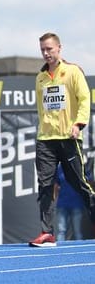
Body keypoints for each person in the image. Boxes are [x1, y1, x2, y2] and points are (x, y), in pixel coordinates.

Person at [29, 32, 95, 247]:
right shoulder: (40, 77)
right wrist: (43, 131)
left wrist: (78, 124)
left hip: (69, 137)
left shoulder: (73, 71)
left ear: (59, 48)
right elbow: (42, 108)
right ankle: (47, 233)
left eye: (49, 49)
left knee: (80, 183)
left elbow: (85, 100)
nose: (46, 53)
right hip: (46, 139)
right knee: (45, 184)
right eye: (42, 50)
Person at [54, 164, 88, 241]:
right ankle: (59, 251)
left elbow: (87, 183)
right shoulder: (60, 168)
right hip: (62, 204)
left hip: (76, 204)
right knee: (61, 231)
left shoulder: (79, 166)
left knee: (77, 231)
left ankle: (80, 252)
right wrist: (55, 198)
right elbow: (56, 184)